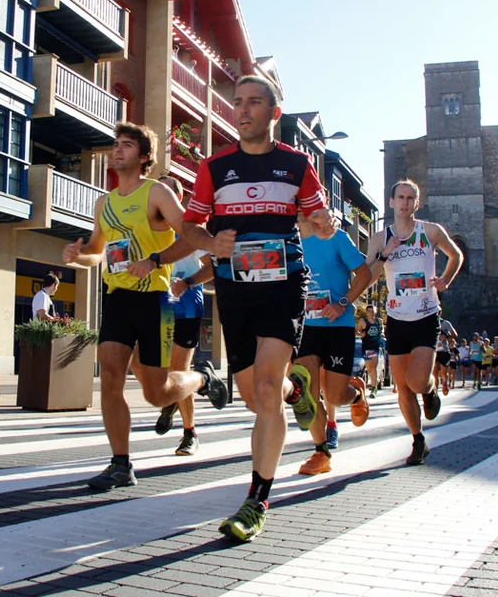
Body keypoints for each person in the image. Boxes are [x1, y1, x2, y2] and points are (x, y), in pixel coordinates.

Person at [179, 74, 329, 542]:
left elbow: (317, 219)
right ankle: (295, 388)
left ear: (274, 113)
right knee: (255, 397)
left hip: (284, 285)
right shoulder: (214, 167)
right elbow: (189, 227)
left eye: (254, 102)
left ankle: (257, 500)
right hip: (235, 289)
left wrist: (323, 223)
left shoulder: (297, 164)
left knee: (264, 390)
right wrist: (211, 243)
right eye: (238, 102)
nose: (243, 110)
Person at [62, 123, 227, 492]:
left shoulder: (156, 193)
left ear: (144, 157)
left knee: (157, 393)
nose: (117, 150)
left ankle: (202, 378)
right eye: (116, 144)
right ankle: (120, 464)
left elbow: (191, 235)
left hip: (155, 300)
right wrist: (77, 256)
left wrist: (154, 261)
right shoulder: (104, 203)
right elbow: (96, 252)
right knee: (110, 379)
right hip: (117, 298)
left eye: (126, 145)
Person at [366, 179, 462, 466]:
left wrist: (445, 279)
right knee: (403, 388)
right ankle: (418, 441)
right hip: (396, 318)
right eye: (401, 197)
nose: (405, 203)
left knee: (417, 381)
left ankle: (430, 391)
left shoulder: (430, 231)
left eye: (411, 198)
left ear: (416, 204)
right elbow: (368, 277)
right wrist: (385, 253)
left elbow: (456, 255)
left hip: (426, 315)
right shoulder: (379, 238)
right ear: (391, 202)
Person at [294, 208, 373, 474]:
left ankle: (356, 394)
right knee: (308, 392)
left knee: (334, 396)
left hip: (338, 325)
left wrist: (342, 303)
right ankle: (321, 453)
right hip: (306, 328)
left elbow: (364, 275)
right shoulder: (289, 239)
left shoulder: (336, 237)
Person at [153, 175, 215, 457]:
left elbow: (212, 267)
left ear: (177, 197)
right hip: (157, 307)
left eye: (166, 190)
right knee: (154, 372)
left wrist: (187, 282)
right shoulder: (148, 229)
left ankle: (190, 434)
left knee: (178, 372)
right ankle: (171, 400)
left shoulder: (190, 229)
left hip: (187, 306)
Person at [359, 305, 384, 398]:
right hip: (366, 348)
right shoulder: (362, 322)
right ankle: (373, 383)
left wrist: (382, 333)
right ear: (366, 312)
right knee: (369, 369)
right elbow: (355, 331)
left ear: (375, 311)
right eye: (369, 311)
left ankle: (373, 388)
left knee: (373, 367)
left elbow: (382, 329)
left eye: (372, 311)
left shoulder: (379, 321)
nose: (371, 313)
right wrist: (360, 334)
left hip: (375, 348)